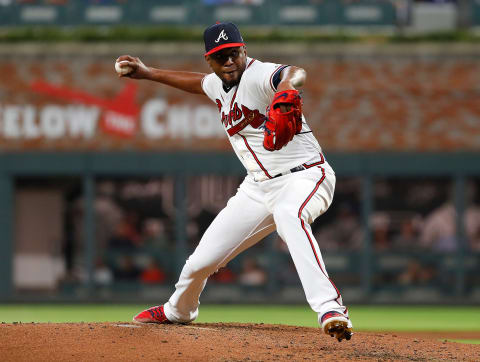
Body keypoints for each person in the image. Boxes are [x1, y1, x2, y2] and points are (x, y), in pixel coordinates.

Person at [116, 22, 353, 342]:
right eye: (221, 56)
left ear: (244, 51)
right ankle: (178, 310)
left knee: (289, 215)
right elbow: (199, 83)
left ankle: (330, 308)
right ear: (209, 60)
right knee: (201, 261)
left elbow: (294, 72)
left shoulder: (259, 74)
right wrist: (148, 73)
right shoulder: (216, 83)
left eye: (234, 53)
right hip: (257, 188)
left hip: (306, 174)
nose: (229, 61)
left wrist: (286, 88)